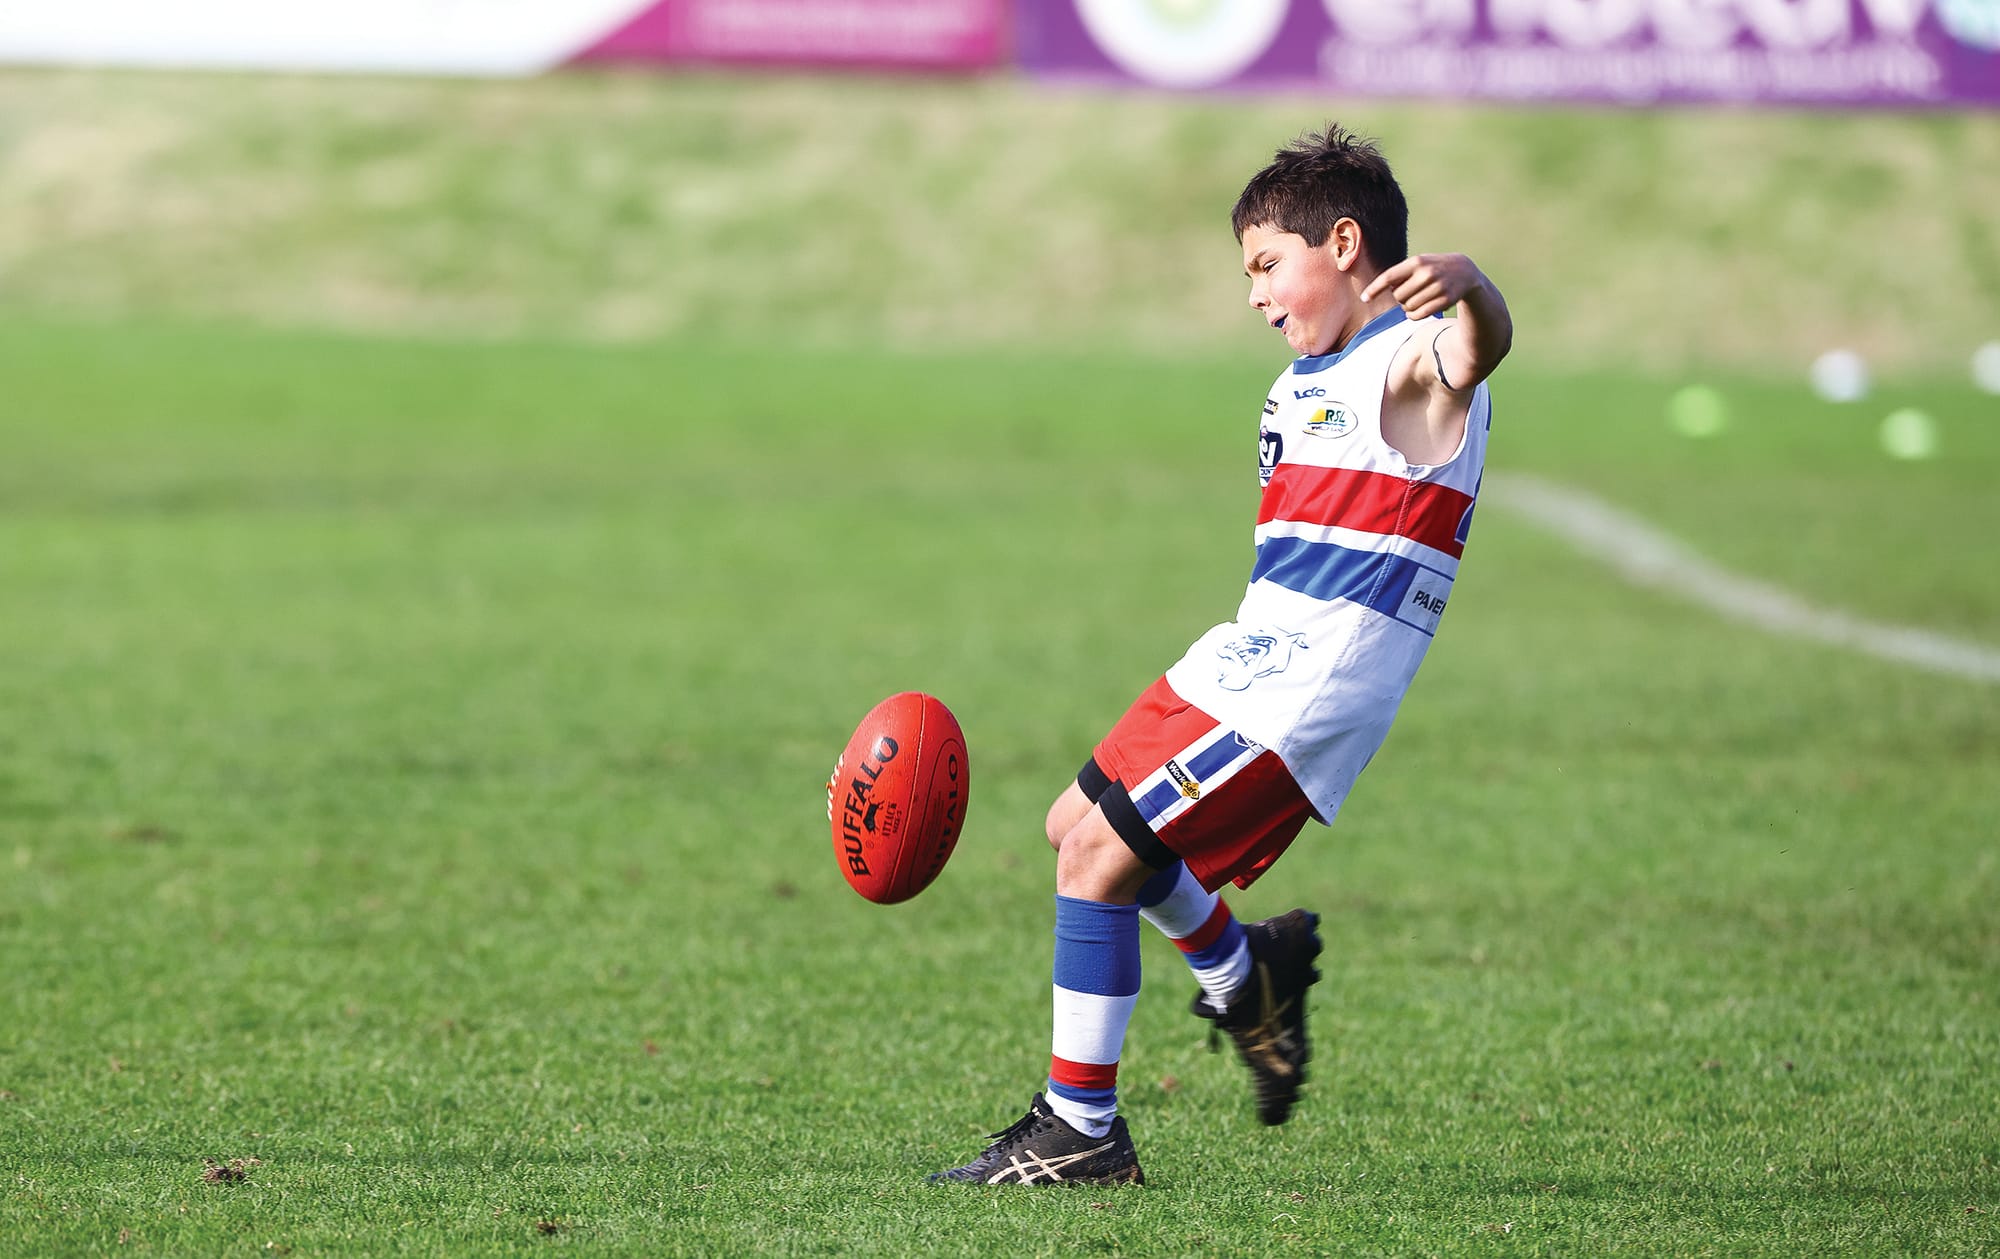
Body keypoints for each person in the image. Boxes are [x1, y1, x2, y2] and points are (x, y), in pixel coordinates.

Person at [930, 124, 1513, 1186]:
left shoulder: (1407, 362)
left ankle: (1080, 1129)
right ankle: (1248, 977)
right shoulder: (1303, 380)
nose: (1251, 293)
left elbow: (1478, 348)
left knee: (1097, 861)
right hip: (1244, 652)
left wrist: (1470, 282)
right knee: (1072, 823)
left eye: (1264, 264)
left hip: (1311, 681)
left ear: (1343, 245)